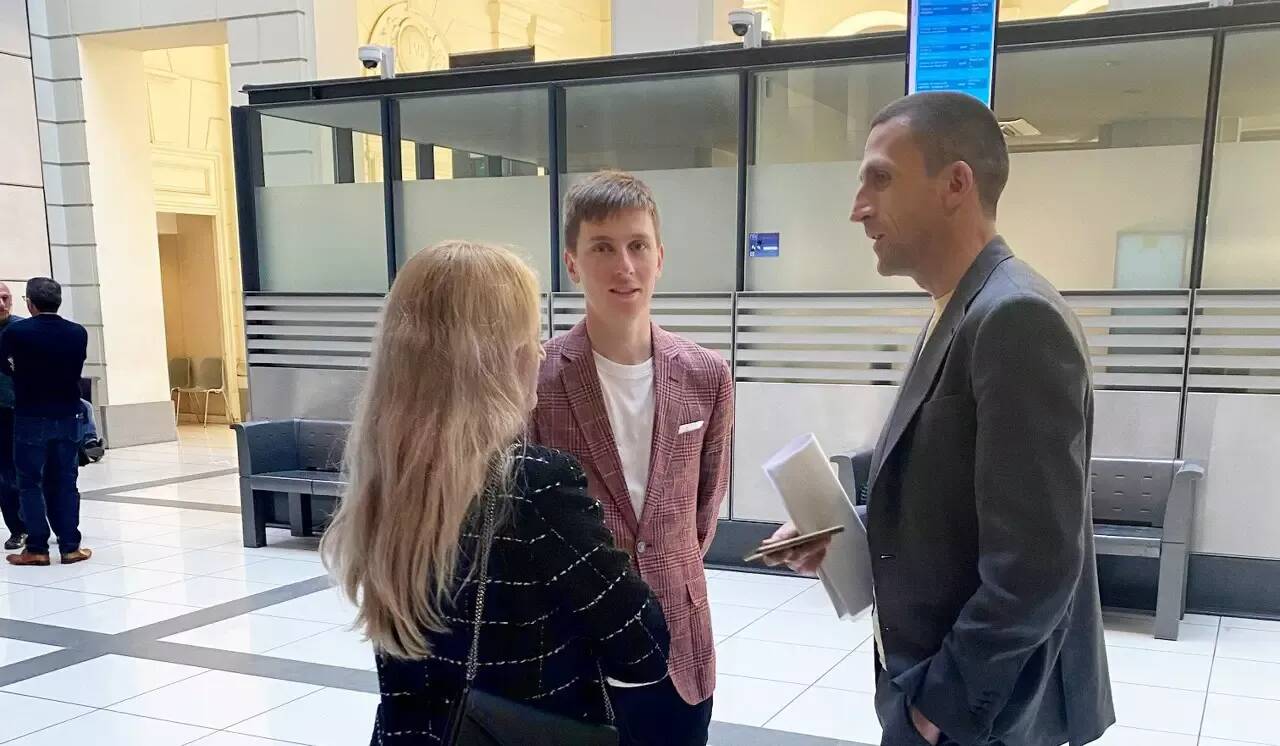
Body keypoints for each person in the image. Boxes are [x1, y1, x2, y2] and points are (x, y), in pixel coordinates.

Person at [767, 92, 1114, 746]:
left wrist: (936, 712)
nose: (857, 207)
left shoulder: (1015, 317)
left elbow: (1035, 568)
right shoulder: (958, 308)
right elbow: (960, 512)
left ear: (956, 184)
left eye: (881, 177)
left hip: (984, 717)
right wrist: (847, 533)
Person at [320, 241, 671, 745]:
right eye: (529, 335)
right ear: (499, 361)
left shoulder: (383, 476)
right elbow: (643, 650)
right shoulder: (534, 486)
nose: (541, 350)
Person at [531, 170, 733, 746]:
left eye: (637, 246)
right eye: (602, 247)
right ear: (572, 263)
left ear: (660, 257)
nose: (624, 266)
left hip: (680, 647)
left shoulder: (705, 375)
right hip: (576, 648)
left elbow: (703, 509)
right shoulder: (538, 378)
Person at [0, 278, 91, 566]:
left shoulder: (16, 333)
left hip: (29, 416)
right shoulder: (77, 333)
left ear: (29, 302)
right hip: (67, 415)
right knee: (65, 481)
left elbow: (6, 365)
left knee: (29, 483)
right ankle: (70, 546)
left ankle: (37, 547)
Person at [0, 283, 27, 550]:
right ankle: (17, 528)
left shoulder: (23, 330)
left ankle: (46, 523)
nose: (1, 303)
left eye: (5, 297)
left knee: (36, 471)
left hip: (27, 411)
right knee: (5, 474)